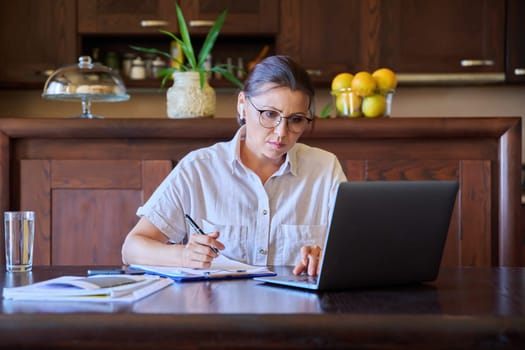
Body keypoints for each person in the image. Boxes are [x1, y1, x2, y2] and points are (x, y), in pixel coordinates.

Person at [121, 55, 347, 276]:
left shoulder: (325, 169)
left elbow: (358, 250)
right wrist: (183, 256)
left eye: (296, 120)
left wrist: (327, 256)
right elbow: (131, 248)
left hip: (299, 311)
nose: (281, 132)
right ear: (242, 105)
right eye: (269, 114)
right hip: (216, 309)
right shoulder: (198, 168)